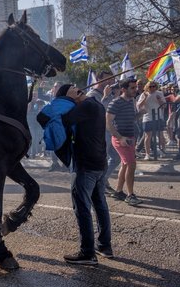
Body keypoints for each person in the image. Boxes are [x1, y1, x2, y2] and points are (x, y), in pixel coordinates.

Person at [57, 84, 112, 264]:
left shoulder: (85, 106)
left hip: (86, 165)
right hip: (99, 163)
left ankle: (87, 252)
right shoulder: (96, 104)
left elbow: (62, 120)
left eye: (74, 89)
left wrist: (67, 100)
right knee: (99, 204)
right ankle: (104, 245)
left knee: (82, 207)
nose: (75, 89)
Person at [106, 78, 142, 206]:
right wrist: (120, 138)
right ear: (123, 89)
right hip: (121, 139)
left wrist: (142, 112)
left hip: (130, 138)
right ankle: (130, 195)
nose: (135, 90)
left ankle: (119, 191)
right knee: (131, 164)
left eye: (135, 87)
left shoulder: (131, 101)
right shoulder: (115, 102)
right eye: (132, 88)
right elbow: (108, 123)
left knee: (125, 164)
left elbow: (132, 118)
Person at [136, 81, 167, 160]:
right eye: (150, 86)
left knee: (160, 135)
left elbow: (164, 106)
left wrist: (159, 100)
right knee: (147, 136)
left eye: (154, 86)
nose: (152, 88)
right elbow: (139, 106)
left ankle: (162, 151)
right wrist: (145, 98)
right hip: (147, 117)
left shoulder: (159, 93)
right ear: (147, 87)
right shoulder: (143, 94)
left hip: (158, 117)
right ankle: (147, 154)